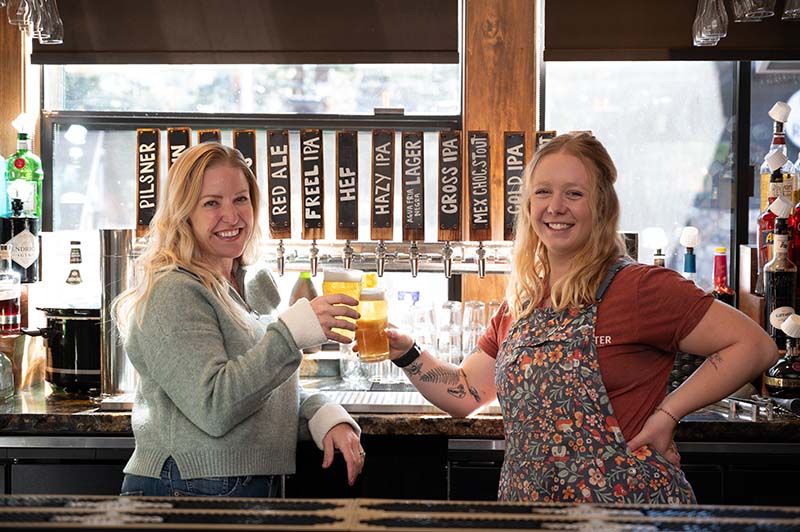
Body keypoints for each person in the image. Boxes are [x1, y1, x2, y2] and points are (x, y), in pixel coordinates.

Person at [383, 132, 778, 503]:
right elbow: (466, 394)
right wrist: (407, 353)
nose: (556, 207)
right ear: (529, 206)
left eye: (574, 194)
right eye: (543, 192)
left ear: (602, 206)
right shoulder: (522, 302)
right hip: (534, 513)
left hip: (627, 511)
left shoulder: (640, 287)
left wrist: (668, 413)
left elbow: (755, 346)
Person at [114, 142, 364, 497]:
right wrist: (290, 333)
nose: (231, 216)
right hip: (189, 487)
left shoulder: (238, 284)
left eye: (241, 199)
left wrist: (320, 412)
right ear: (183, 212)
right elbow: (215, 405)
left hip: (235, 484)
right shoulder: (174, 290)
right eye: (212, 203)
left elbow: (261, 386)